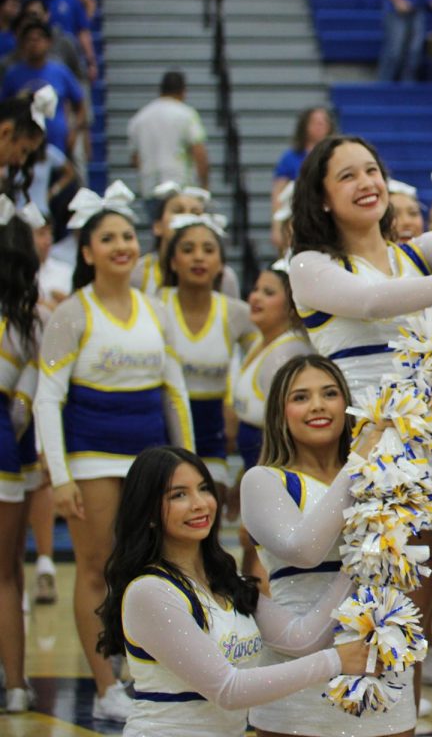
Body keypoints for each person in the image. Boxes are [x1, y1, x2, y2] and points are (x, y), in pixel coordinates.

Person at [243, 354, 432, 737]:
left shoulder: (386, 477)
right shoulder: (264, 481)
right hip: (299, 683)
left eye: (330, 393)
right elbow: (304, 549)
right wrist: (358, 460)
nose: (318, 405)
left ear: (346, 404)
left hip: (381, 670)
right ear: (280, 412)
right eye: (301, 397)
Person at [35, 187, 194, 723]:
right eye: (107, 239)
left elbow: (174, 392)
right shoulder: (69, 315)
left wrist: (187, 465)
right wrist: (59, 476)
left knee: (150, 567)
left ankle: (143, 671)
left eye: (127, 236)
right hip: (92, 459)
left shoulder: (156, 310)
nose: (121, 246)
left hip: (150, 458)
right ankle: (105, 684)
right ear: (87, 252)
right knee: (96, 568)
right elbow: (47, 397)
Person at [95, 446, 374, 736]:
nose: (200, 503)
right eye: (179, 495)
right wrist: (336, 660)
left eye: (203, 489)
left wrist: (359, 561)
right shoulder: (150, 591)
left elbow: (301, 638)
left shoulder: (226, 581)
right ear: (149, 512)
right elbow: (229, 690)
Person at [288, 135, 432, 401]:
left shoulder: (418, 254)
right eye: (348, 176)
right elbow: (370, 301)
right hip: (361, 433)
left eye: (372, 171)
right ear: (323, 198)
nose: (366, 183)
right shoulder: (307, 265)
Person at [158, 215, 255, 491]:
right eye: (188, 250)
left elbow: (264, 360)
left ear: (221, 264)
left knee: (208, 511)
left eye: (208, 250)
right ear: (173, 261)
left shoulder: (237, 313)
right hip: (163, 424)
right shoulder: (155, 306)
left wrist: (236, 405)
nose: (198, 258)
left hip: (214, 427)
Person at [0, 195, 40, 712]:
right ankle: (14, 685)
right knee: (6, 571)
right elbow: (20, 414)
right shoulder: (33, 322)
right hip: (4, 443)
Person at [230, 263, 309, 480]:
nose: (256, 297)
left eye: (269, 293)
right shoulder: (261, 341)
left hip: (276, 471)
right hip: (255, 465)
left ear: (292, 306)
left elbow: (288, 431)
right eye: (255, 289)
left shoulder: (287, 352)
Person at [131, 183, 239, 299]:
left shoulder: (224, 277)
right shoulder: (135, 273)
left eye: (195, 213)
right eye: (178, 211)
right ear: (157, 226)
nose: (187, 218)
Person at [0, 20, 81, 156]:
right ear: (22, 44)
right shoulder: (12, 75)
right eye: (29, 40)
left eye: (38, 39)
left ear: (48, 42)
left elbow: (80, 105)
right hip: (22, 147)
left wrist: (74, 130)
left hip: (58, 144)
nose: (34, 44)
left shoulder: (60, 71)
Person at [127, 70, 208, 197]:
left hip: (150, 186)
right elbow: (199, 152)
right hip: (180, 184)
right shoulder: (186, 115)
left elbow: (135, 159)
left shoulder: (140, 117)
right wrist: (204, 185)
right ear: (183, 91)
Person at [271, 107, 334, 249]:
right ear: (305, 126)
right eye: (315, 122)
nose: (320, 125)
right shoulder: (290, 157)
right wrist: (276, 226)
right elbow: (278, 194)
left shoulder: (335, 155)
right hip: (297, 218)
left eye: (324, 121)